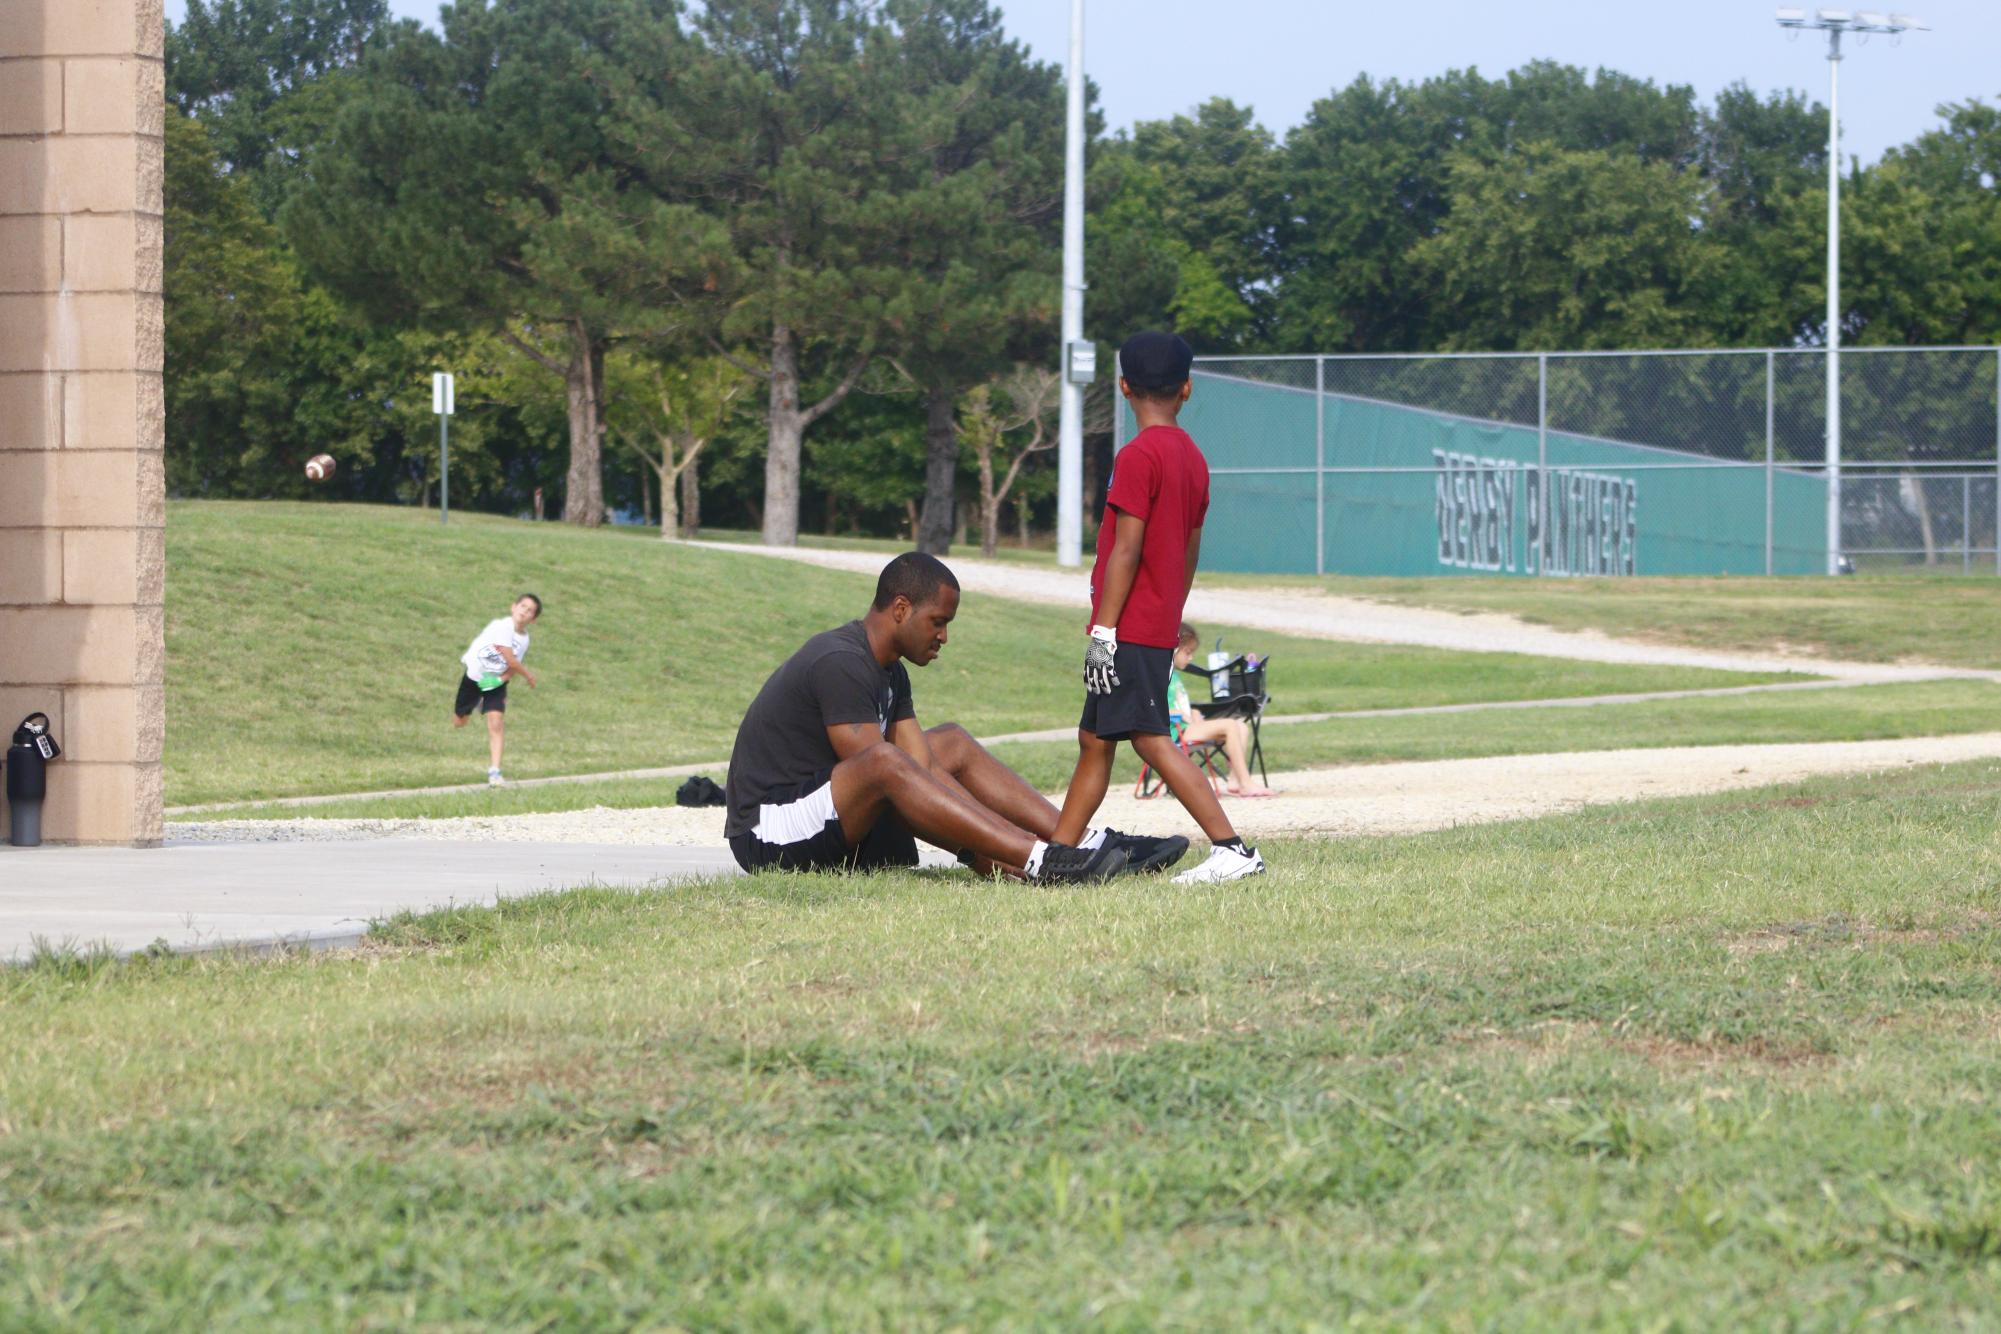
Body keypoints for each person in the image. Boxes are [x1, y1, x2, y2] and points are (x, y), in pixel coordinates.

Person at [724, 552, 1186, 882]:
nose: (944, 636)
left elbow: (922, 766)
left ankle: (1077, 843)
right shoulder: (839, 661)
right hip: (768, 832)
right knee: (887, 762)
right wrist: (992, 853)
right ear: (901, 609)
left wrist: (994, 844)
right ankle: (1042, 861)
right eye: (938, 621)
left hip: (826, 813)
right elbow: (892, 780)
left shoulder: (890, 672)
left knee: (951, 743)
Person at [1051, 331, 1267, 883]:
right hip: (1153, 621)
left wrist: (1105, 630)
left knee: (1148, 738)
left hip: (1128, 628)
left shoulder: (1136, 455)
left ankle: (1233, 849)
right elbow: (1188, 552)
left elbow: (1127, 547)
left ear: (1123, 387)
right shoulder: (1192, 459)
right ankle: (1054, 857)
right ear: (1187, 389)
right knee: (1094, 741)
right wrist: (1169, 611)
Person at [1172, 623, 1276, 798]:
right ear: (1174, 649)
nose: (1191, 658)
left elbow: (1179, 703)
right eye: (1187, 653)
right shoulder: (1161, 676)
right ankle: (1246, 782)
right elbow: (1154, 705)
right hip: (1174, 731)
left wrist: (1193, 713)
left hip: (1186, 727)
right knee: (1229, 725)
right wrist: (1182, 714)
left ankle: (1234, 781)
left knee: (1240, 726)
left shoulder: (1174, 675)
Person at [452, 593, 541, 785]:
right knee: (459, 722)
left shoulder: (525, 639)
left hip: (494, 682)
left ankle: (495, 772)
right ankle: (475, 703)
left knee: (496, 724)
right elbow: (509, 657)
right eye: (523, 607)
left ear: (533, 620)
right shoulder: (501, 626)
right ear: (513, 607)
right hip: (475, 677)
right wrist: (529, 675)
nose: (524, 612)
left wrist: (500, 680)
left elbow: (511, 666)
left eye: (530, 611)